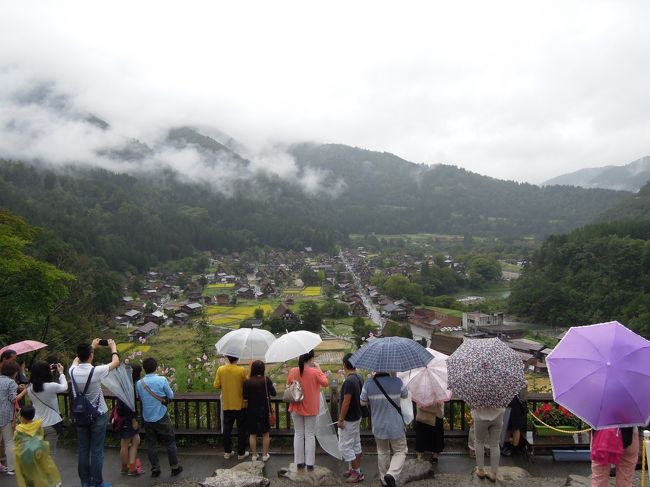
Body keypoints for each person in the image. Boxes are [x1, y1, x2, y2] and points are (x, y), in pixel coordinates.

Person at [68, 338, 120, 487]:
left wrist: (92, 347)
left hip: (79, 415)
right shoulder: (96, 371)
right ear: (91, 356)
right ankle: (97, 482)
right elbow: (115, 362)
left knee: (83, 449)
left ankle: (85, 482)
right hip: (98, 415)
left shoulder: (72, 371)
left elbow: (76, 360)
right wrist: (113, 347)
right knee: (96, 450)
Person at [136, 357, 183, 478]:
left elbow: (140, 397)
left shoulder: (139, 383)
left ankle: (155, 469)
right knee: (170, 442)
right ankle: (175, 467)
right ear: (156, 367)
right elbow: (171, 395)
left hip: (147, 417)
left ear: (144, 370)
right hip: (161, 416)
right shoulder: (161, 379)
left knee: (151, 444)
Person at [360, 371, 408, 487]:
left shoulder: (368, 384)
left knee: (382, 452)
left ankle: (383, 479)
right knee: (400, 450)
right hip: (395, 425)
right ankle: (391, 474)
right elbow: (405, 395)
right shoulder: (397, 382)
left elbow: (362, 402)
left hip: (378, 425)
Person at [286, 350, 328, 470]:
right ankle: (310, 464)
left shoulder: (293, 371)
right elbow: (325, 383)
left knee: (298, 433)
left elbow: (288, 383)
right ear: (311, 358)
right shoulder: (315, 372)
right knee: (310, 434)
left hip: (296, 406)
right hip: (310, 407)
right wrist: (319, 369)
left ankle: (298, 462)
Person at [16, 361, 67, 456]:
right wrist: (61, 373)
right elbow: (64, 387)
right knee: (50, 455)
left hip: (36, 424)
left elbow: (36, 383)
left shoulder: (30, 388)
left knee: (38, 454)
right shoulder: (51, 386)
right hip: (52, 424)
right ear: (47, 373)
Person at [13, 405, 61, 487]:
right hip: (39, 455)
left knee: (28, 479)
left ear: (22, 417)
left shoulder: (18, 430)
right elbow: (40, 438)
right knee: (42, 473)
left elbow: (17, 444)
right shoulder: (38, 426)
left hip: (25, 458)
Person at [213, 355, 249, 460]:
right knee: (241, 430)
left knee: (227, 429)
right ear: (237, 359)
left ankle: (227, 452)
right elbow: (246, 383)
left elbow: (216, 385)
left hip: (227, 404)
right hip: (241, 405)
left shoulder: (221, 369)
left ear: (228, 358)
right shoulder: (241, 370)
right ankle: (241, 453)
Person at [337, 353, 364, 483]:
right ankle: (357, 471)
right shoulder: (358, 377)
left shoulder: (349, 381)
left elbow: (346, 402)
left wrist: (341, 419)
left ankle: (356, 473)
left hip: (349, 419)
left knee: (344, 447)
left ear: (344, 365)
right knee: (355, 445)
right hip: (357, 415)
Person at [242, 360, 276, 462]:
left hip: (251, 410)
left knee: (252, 433)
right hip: (265, 410)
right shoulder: (266, 380)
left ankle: (254, 455)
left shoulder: (247, 382)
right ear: (263, 369)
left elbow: (245, 398)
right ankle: (265, 455)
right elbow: (273, 393)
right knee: (265, 433)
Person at [114, 365, 142, 476]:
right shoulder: (130, 387)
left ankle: (127, 467)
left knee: (134, 441)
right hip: (128, 419)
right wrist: (133, 419)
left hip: (123, 418)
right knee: (128, 443)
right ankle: (129, 468)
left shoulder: (122, 384)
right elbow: (129, 406)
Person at [471, 406, 505, 482]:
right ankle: (493, 473)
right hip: (498, 414)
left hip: (480, 414)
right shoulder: (500, 393)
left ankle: (481, 471)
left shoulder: (477, 393)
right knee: (495, 444)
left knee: (479, 441)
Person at [0, 360, 20, 475]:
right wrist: (23, 392)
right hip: (6, 415)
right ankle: (12, 468)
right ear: (13, 372)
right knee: (9, 442)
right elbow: (13, 399)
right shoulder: (11, 383)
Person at [501, 387, 528, 457]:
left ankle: (506, 447)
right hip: (517, 405)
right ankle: (514, 448)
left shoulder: (504, 381)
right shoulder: (521, 381)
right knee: (515, 427)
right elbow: (524, 397)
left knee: (508, 426)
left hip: (508, 404)